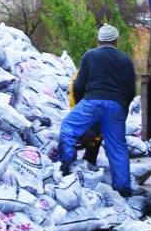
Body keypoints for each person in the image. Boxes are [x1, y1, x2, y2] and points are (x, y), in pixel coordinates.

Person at [58, 24, 136, 197]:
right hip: (117, 105)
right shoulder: (125, 59)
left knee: (68, 128)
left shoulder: (90, 55)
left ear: (99, 40)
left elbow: (78, 85)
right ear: (116, 40)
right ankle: (122, 188)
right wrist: (122, 109)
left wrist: (79, 106)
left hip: (93, 102)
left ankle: (65, 168)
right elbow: (131, 91)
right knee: (117, 146)